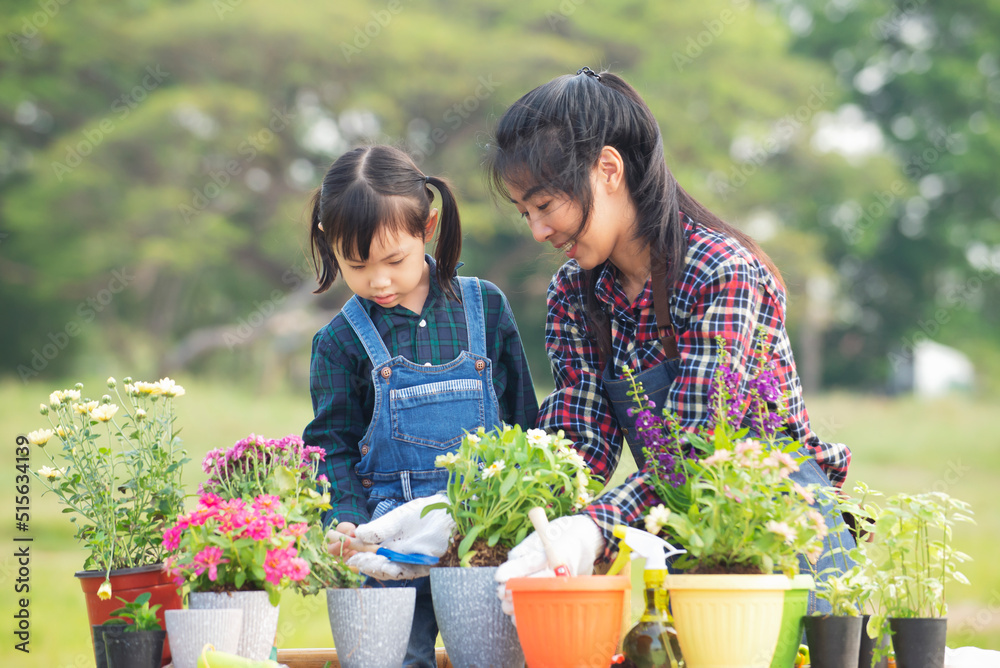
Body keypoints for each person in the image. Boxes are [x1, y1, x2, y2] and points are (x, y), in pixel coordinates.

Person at [483, 67, 856, 614]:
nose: (538, 231)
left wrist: (591, 530)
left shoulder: (720, 272)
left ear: (608, 168)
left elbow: (694, 451)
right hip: (686, 543)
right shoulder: (574, 293)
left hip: (782, 539)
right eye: (526, 214)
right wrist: (482, 513)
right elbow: (578, 442)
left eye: (545, 205)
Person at [302, 144, 539, 667]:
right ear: (329, 243)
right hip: (390, 546)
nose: (379, 281)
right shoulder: (339, 342)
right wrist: (342, 518)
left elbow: (526, 424)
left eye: (394, 260)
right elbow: (331, 446)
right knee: (391, 660)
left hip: (486, 540)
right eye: (356, 265)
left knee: (494, 659)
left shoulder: (486, 307)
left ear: (427, 227)